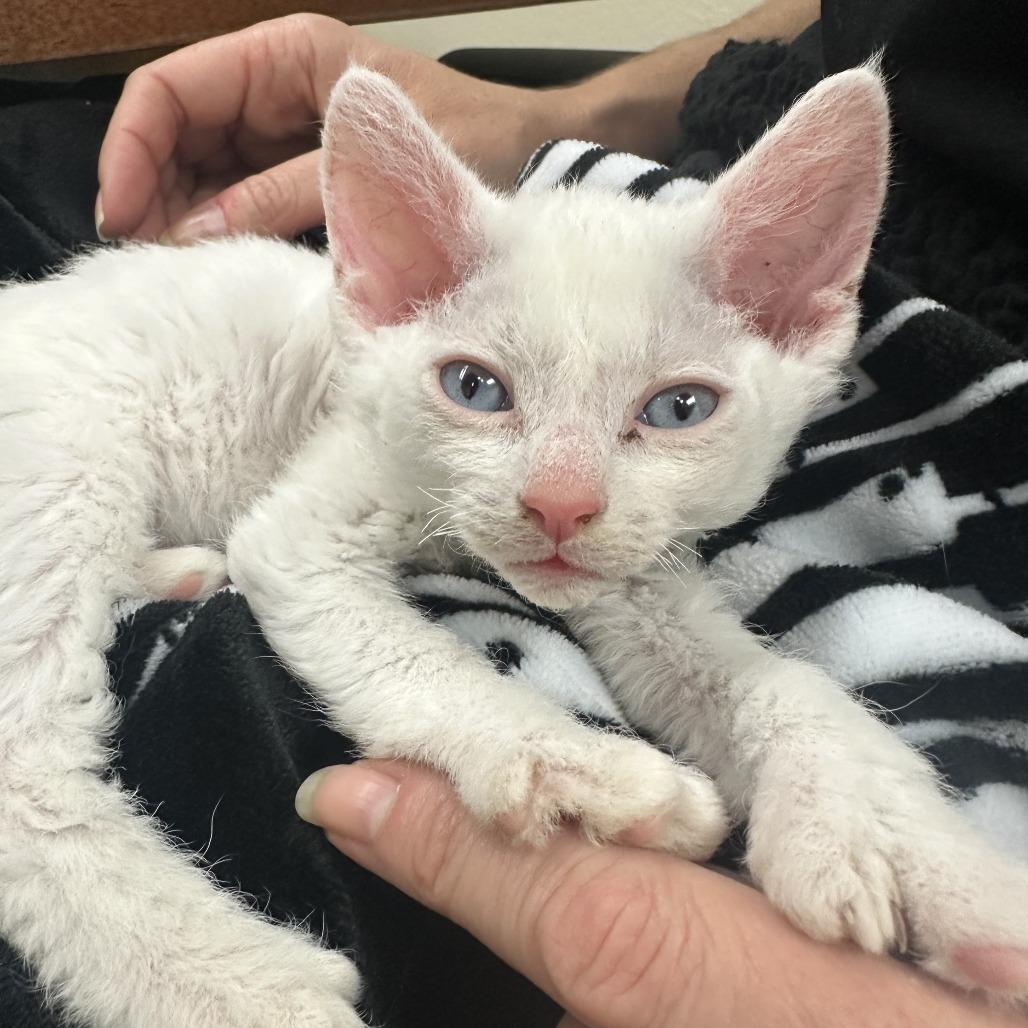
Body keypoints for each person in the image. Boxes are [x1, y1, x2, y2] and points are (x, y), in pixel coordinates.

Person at [95, 4, 1028, 1027]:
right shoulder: (397, 391)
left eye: (674, 408)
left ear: (790, 313)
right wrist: (504, 741)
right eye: (480, 387)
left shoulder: (716, 321)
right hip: (108, 393)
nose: (560, 497)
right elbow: (289, 548)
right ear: (387, 294)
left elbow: (676, 636)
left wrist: (830, 765)